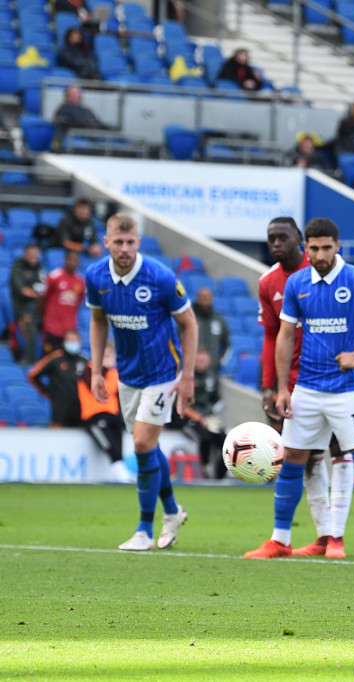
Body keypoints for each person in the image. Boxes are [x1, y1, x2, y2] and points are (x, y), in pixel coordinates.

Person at [244, 217, 354, 561]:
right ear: (307, 247)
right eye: (313, 248)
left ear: (337, 245)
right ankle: (280, 539)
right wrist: (283, 388)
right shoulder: (297, 283)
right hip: (307, 389)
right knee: (293, 461)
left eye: (325, 248)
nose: (319, 255)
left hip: (348, 389)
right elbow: (284, 335)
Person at [86, 213, 197, 551]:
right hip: (128, 374)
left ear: (139, 242)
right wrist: (95, 370)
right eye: (118, 242)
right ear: (106, 242)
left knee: (141, 445)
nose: (124, 249)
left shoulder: (160, 278)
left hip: (163, 372)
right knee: (147, 447)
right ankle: (173, 511)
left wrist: (188, 376)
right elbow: (97, 319)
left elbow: (190, 324)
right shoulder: (96, 276)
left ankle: (144, 531)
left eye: (130, 242)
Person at [257, 216, 354, 558]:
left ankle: (338, 536)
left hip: (336, 378)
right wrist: (271, 385)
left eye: (283, 237)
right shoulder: (268, 282)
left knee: (343, 451)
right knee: (306, 457)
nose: (277, 244)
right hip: (296, 384)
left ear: (301, 239)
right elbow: (271, 336)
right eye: (271, 239)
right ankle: (322, 536)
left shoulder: (334, 276)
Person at [79, 345, 133, 483]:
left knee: (118, 444)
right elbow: (102, 390)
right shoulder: (88, 369)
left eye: (110, 354)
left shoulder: (113, 373)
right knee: (109, 444)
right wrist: (107, 371)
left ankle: (122, 473)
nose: (108, 357)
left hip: (113, 416)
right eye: (105, 354)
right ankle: (120, 474)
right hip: (94, 415)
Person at [179, 347, 227, 479]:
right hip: (190, 421)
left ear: (209, 361)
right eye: (198, 360)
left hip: (209, 419)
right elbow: (181, 405)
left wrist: (211, 416)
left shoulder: (212, 377)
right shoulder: (187, 377)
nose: (201, 363)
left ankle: (220, 476)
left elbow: (216, 400)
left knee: (226, 440)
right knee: (205, 438)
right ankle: (204, 468)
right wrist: (199, 418)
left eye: (203, 361)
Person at [28, 328, 87, 427]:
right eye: (69, 340)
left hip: (80, 412)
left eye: (75, 340)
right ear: (64, 342)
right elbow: (32, 375)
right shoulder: (55, 359)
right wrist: (48, 392)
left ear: (80, 342)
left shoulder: (85, 361)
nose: (72, 343)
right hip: (60, 411)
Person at [40, 250, 86, 356]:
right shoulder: (54, 276)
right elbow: (42, 298)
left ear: (79, 263)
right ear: (65, 260)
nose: (73, 263)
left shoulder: (80, 282)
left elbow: (78, 302)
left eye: (76, 261)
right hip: (52, 327)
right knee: (50, 358)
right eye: (70, 260)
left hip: (69, 330)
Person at [9, 243, 45, 364]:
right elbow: (22, 290)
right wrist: (37, 293)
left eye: (36, 255)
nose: (34, 258)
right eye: (32, 255)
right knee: (32, 337)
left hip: (40, 309)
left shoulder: (40, 268)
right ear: (25, 255)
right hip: (24, 310)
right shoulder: (18, 268)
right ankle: (30, 364)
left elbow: (45, 285)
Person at [193, 287, 231, 375]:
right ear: (197, 299)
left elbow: (227, 345)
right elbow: (179, 340)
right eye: (202, 299)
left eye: (207, 299)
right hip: (189, 370)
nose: (204, 302)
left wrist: (219, 362)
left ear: (211, 299)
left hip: (212, 371)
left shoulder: (219, 321)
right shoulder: (190, 319)